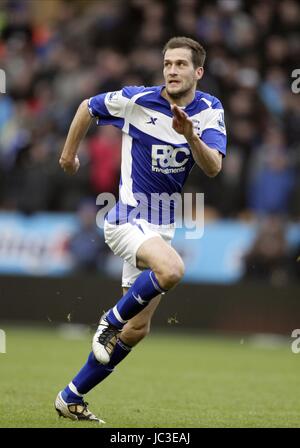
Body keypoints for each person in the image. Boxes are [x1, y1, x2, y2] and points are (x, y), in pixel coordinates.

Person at [55, 36, 227, 422]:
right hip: (126, 220)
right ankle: (108, 322)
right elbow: (88, 106)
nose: (172, 71)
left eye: (181, 65)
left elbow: (213, 166)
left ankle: (71, 396)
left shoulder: (210, 110)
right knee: (172, 270)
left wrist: (190, 135)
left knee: (138, 329)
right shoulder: (138, 100)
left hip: (161, 227)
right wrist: (68, 156)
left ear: (198, 72)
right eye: (168, 64)